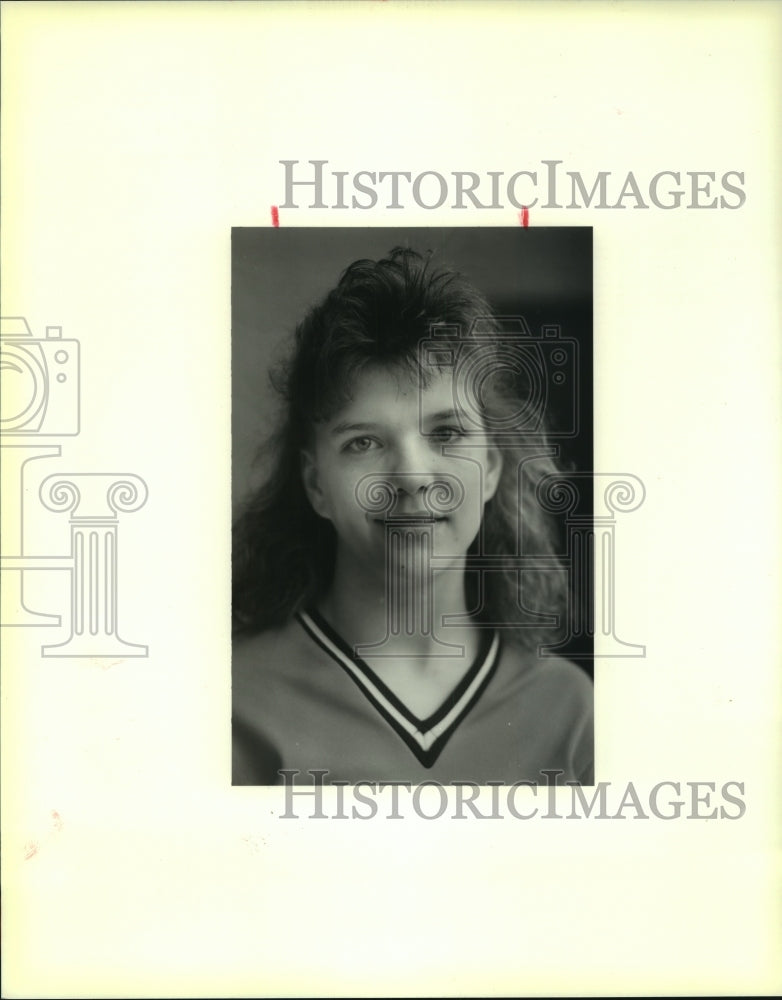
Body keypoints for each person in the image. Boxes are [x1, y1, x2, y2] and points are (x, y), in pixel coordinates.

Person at [232, 247, 593, 785]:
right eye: (364, 442)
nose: (412, 477)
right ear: (316, 485)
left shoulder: (568, 711)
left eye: (446, 433)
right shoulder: (234, 700)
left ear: (490, 468)